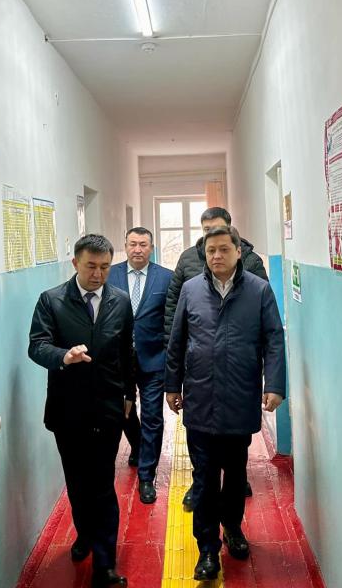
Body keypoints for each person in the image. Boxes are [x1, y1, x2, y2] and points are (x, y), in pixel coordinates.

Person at [165, 226, 286, 580]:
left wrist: (274, 384)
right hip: (200, 399)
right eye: (210, 251)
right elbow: (177, 341)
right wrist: (172, 385)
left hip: (239, 397)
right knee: (203, 478)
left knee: (235, 475)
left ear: (237, 252)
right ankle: (207, 550)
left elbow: (273, 340)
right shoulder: (191, 290)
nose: (216, 256)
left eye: (223, 249)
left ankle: (232, 528)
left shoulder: (258, 290)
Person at [28, 234, 134, 588]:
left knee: (102, 484)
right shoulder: (52, 300)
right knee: (77, 483)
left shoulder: (120, 301)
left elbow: (126, 351)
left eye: (105, 267)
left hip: (108, 407)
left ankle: (105, 564)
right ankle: (85, 532)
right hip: (68, 409)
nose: (98, 274)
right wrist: (64, 356)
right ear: (75, 263)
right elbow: (36, 346)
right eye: (91, 266)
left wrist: (130, 393)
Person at [163, 206, 268, 510]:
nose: (216, 251)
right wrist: (175, 370)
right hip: (200, 373)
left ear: (234, 239)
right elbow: (174, 310)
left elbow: (267, 326)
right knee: (202, 451)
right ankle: (201, 490)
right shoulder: (188, 262)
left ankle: (233, 505)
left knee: (235, 454)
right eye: (207, 233)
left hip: (238, 376)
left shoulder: (252, 266)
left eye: (219, 234)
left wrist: (269, 379)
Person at [108, 227, 174, 504]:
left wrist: (170, 355)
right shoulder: (110, 275)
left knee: (152, 417)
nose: (138, 249)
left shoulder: (166, 277)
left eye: (143, 244)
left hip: (153, 359)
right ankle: (137, 446)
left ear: (151, 248)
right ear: (125, 246)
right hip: (117, 360)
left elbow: (172, 319)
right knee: (123, 412)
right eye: (133, 244)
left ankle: (147, 476)